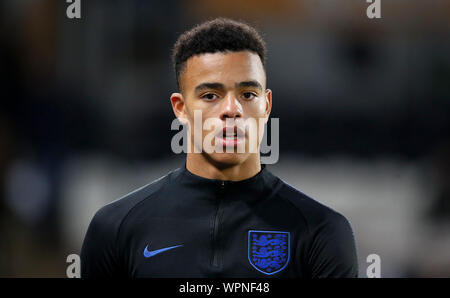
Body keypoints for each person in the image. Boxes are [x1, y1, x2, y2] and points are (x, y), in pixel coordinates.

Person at [80, 18, 358, 278]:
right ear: (181, 108)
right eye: (210, 95)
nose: (231, 110)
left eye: (247, 94)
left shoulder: (321, 231)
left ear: (266, 105)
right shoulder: (115, 228)